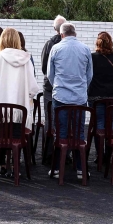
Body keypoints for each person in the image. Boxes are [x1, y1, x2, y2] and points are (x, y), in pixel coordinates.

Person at [0, 27, 40, 178]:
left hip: (2, 106)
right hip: (20, 107)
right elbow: (33, 86)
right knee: (17, 135)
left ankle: (2, 166)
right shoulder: (26, 59)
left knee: (1, 134)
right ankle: (15, 166)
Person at [47, 22, 92, 179]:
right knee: (79, 133)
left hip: (61, 98)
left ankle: (57, 169)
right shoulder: (85, 49)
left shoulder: (56, 48)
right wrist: (81, 88)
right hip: (80, 99)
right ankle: (81, 169)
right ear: (75, 33)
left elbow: (49, 74)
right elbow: (89, 75)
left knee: (60, 133)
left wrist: (58, 87)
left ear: (61, 34)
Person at [88, 31, 113, 164]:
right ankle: (109, 156)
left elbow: (90, 76)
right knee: (111, 126)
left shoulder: (92, 57)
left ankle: (100, 156)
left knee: (99, 126)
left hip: (97, 96)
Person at [40, 15, 67, 163]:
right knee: (65, 120)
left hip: (50, 88)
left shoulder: (49, 44)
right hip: (66, 88)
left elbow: (45, 67)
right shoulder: (69, 45)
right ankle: (65, 153)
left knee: (50, 121)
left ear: (54, 29)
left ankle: (49, 153)